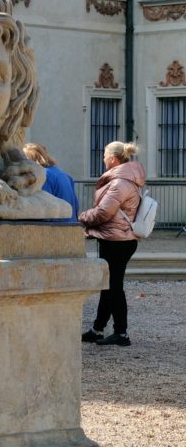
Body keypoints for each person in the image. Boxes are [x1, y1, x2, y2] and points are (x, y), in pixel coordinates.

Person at [79, 141, 145, 347]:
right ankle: (98, 329)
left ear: (114, 159)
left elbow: (103, 212)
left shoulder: (120, 182)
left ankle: (121, 333)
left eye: (105, 155)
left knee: (114, 287)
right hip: (118, 239)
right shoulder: (125, 179)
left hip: (117, 241)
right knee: (109, 286)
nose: (103, 159)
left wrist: (80, 217)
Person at [23, 143, 79, 222]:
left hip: (55, 228)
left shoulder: (43, 176)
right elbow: (76, 205)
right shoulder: (64, 174)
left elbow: (43, 207)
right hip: (71, 226)